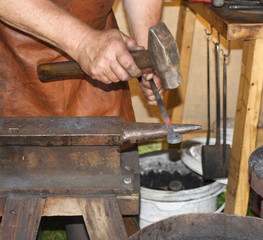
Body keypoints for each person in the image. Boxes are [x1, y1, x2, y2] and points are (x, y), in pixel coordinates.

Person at [0, 0, 163, 238]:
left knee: (104, 219)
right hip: (11, 71)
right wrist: (82, 41)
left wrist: (147, 53)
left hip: (99, 74)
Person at [0, 0, 164, 118]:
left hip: (102, 66)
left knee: (109, 156)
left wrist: (146, 55)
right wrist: (82, 42)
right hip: (14, 68)